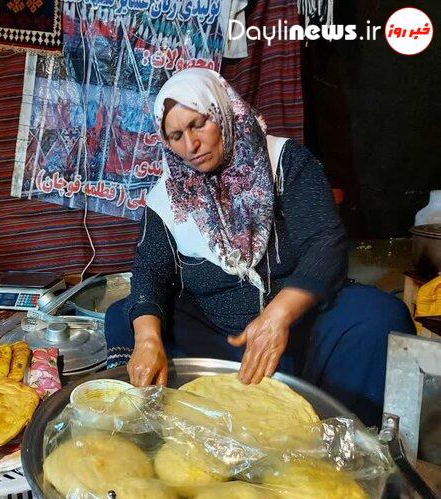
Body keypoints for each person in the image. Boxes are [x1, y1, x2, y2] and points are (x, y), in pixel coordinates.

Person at [104, 68, 414, 426]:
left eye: (199, 124)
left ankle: (339, 437)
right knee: (128, 318)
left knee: (378, 317)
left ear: (223, 111)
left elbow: (324, 241)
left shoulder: (285, 162)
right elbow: (151, 271)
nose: (191, 146)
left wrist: (278, 315)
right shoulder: (167, 196)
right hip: (221, 338)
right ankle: (174, 422)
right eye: (176, 135)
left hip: (298, 326)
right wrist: (146, 339)